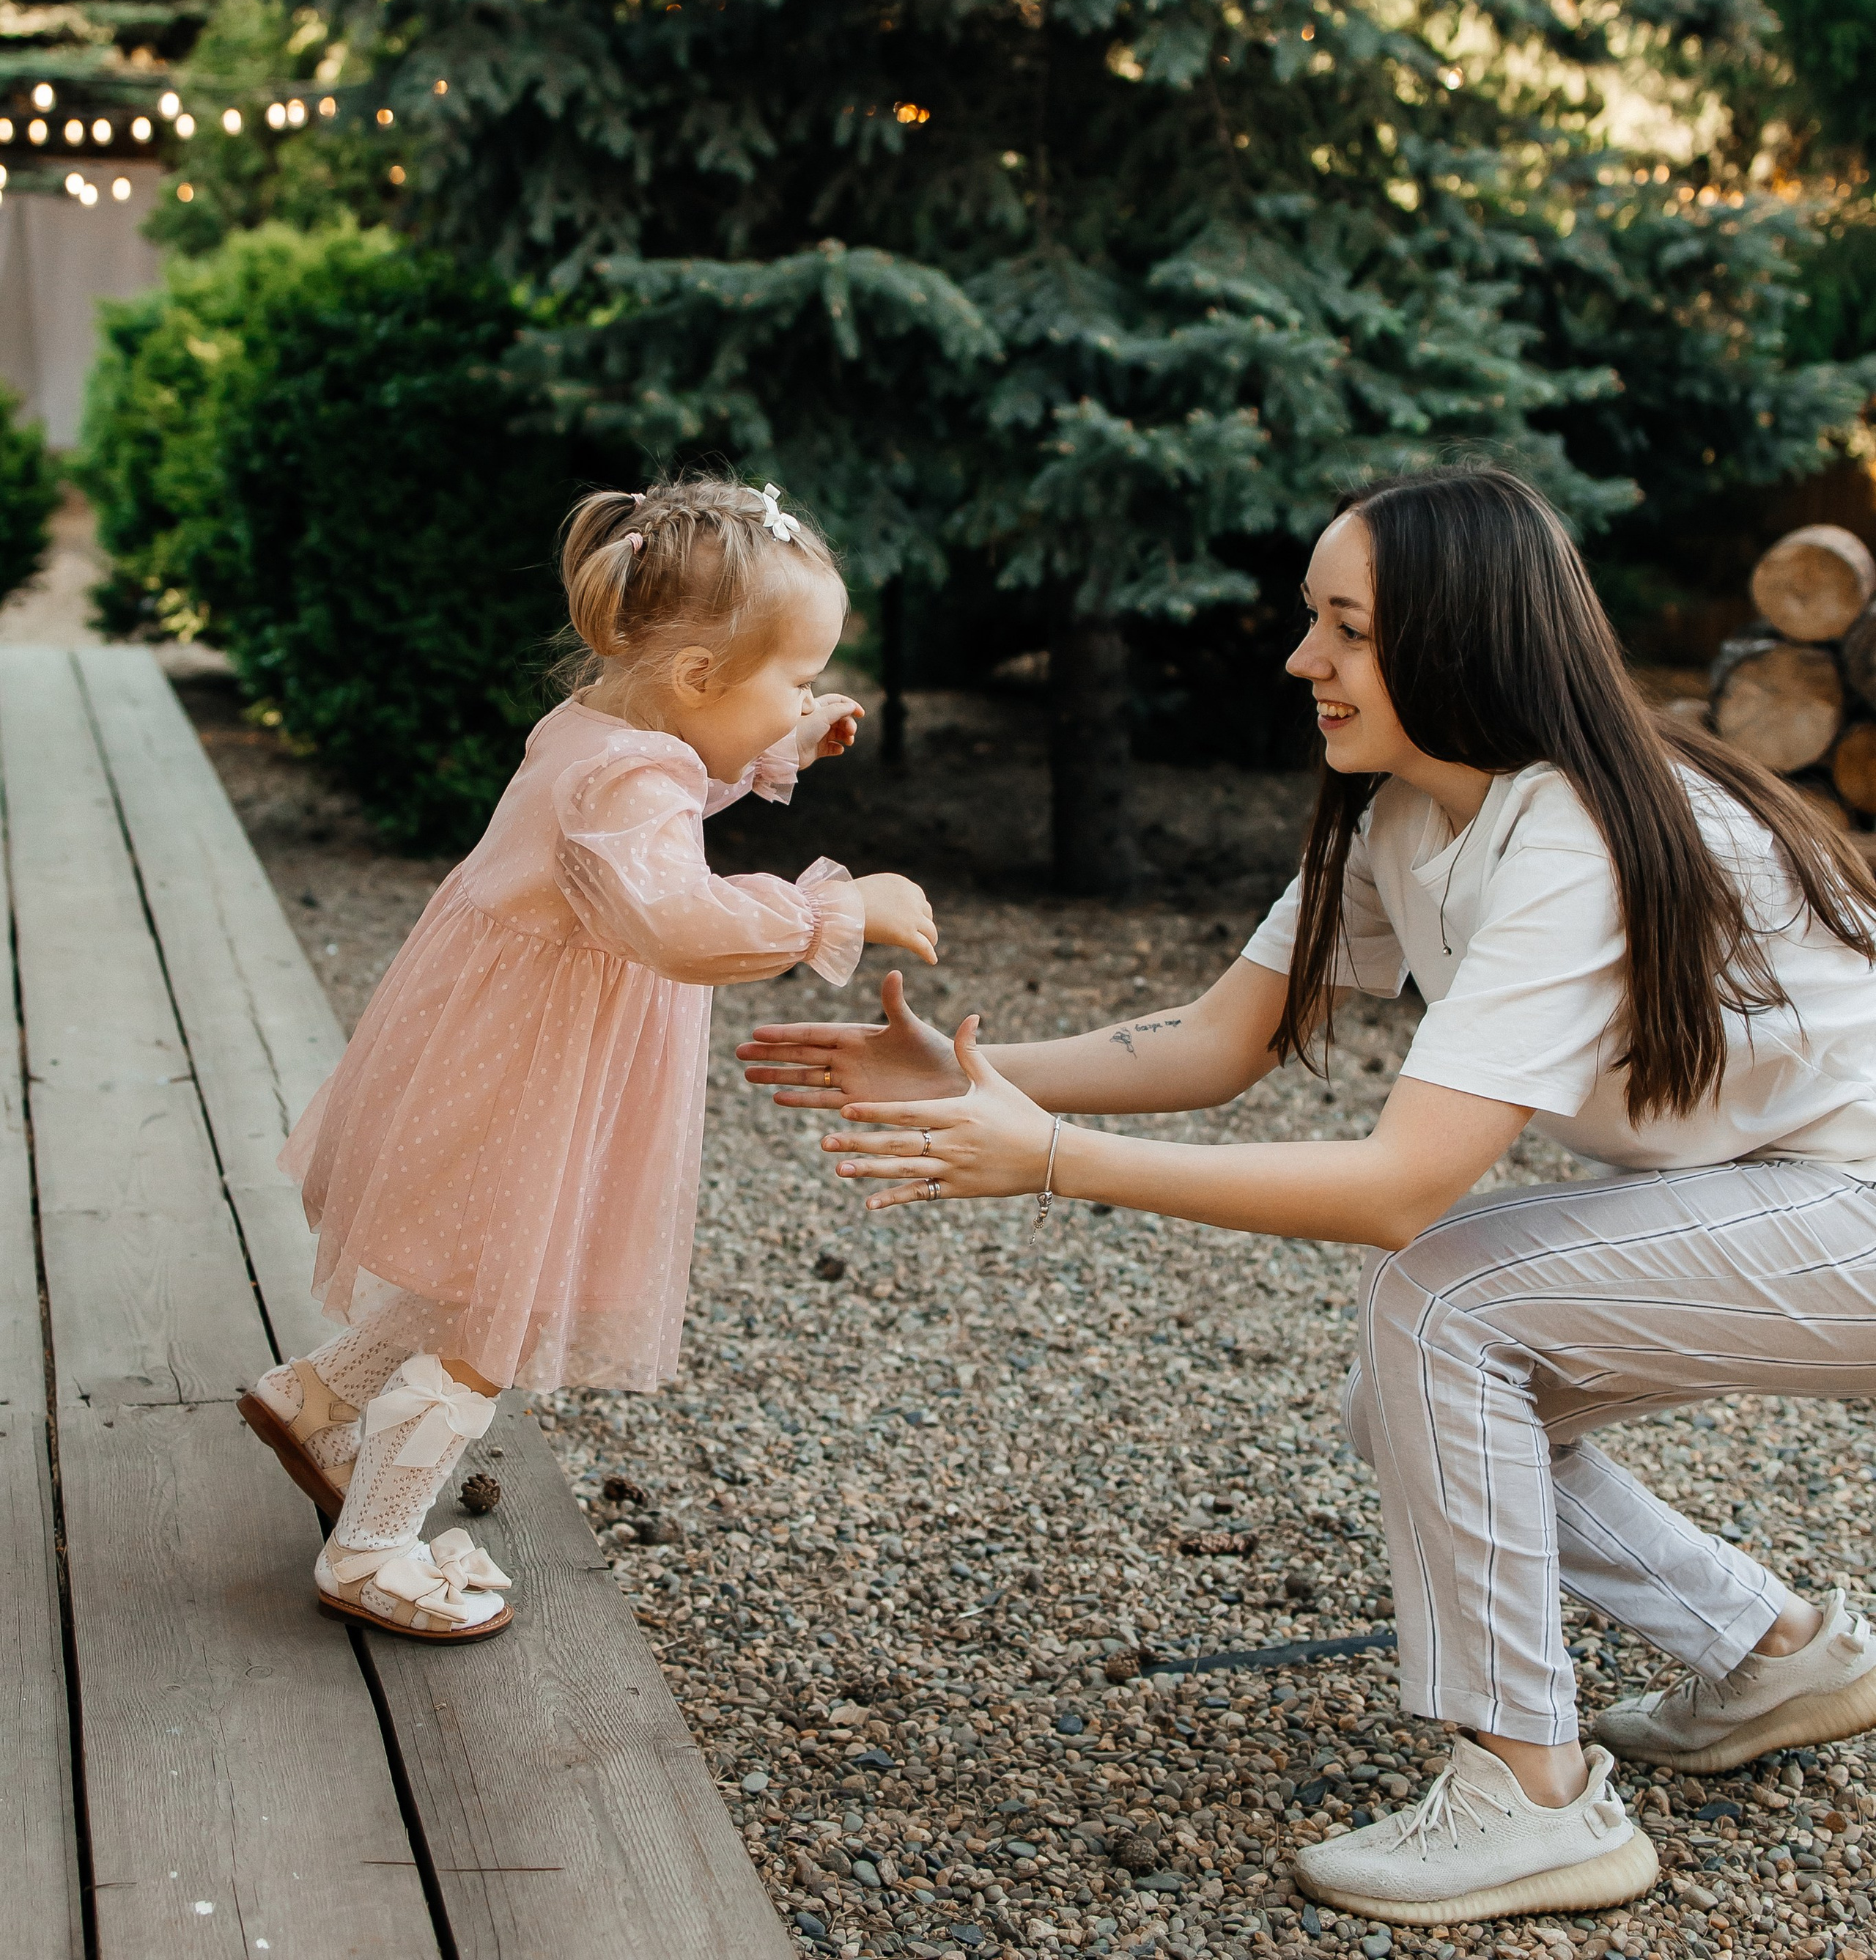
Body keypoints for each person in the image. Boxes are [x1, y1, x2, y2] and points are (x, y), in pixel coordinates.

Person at [739, 463, 1876, 1926]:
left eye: (1342, 627)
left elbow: (1402, 1189)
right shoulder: (1404, 811)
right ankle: (1772, 1651)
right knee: (1404, 1391)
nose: (1298, 660)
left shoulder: (1567, 832)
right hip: (1796, 1191)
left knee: (1442, 1296)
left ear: (1458, 641)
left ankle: (1531, 1799)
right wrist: (974, 1074)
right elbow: (1223, 1041)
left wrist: (1049, 1162)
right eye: (1307, 620)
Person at [241, 476, 937, 1642]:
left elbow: (675, 787)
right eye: (794, 677)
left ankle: (314, 1398)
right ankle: (369, 1550)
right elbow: (675, 922)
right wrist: (838, 909)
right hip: (537, 1074)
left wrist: (788, 740)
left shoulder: (607, 732)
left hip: (498, 1042)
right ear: (700, 680)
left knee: (476, 1261)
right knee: (491, 1319)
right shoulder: (632, 776)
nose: (807, 693)